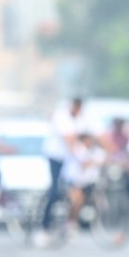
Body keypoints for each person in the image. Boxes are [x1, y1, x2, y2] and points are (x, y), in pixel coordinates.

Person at [44, 98, 97, 233]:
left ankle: (72, 221)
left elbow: (93, 136)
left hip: (72, 161)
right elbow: (70, 141)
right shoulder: (61, 116)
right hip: (58, 158)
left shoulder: (82, 119)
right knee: (55, 191)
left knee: (81, 192)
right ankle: (45, 224)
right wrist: (81, 156)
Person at [63, 132, 105, 229]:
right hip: (74, 181)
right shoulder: (78, 149)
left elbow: (102, 160)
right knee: (76, 201)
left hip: (88, 182)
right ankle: (71, 221)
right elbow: (84, 163)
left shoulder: (96, 151)